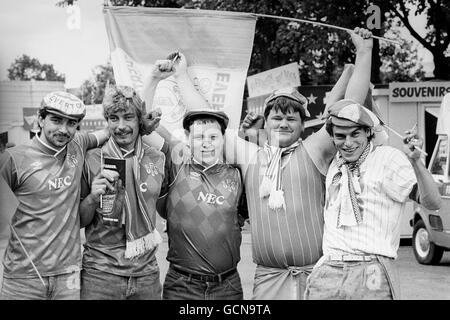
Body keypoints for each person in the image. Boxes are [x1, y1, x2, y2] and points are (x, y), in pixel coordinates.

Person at [303, 100, 441, 300]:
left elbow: (433, 202)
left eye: (355, 134)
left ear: (368, 132)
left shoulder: (388, 159)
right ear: (332, 138)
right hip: (328, 272)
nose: (348, 143)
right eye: (340, 136)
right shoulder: (334, 164)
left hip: (371, 269)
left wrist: (416, 162)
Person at [142, 55, 247, 300]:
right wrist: (154, 79)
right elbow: (146, 125)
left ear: (223, 139)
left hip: (228, 287)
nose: (206, 143)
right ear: (188, 138)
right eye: (199, 137)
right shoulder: (177, 159)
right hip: (182, 286)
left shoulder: (238, 173)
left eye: (213, 137)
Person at [0, 91, 110, 300]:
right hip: (23, 279)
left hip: (67, 276)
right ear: (40, 120)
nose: (63, 129)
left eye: (71, 123)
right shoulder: (12, 159)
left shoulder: (77, 144)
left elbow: (110, 131)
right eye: (56, 120)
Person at [78, 85, 166, 300]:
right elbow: (79, 220)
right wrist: (92, 198)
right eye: (113, 118)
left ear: (139, 120)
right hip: (100, 275)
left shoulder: (158, 158)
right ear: (106, 122)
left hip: (146, 275)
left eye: (128, 117)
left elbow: (164, 208)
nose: (121, 126)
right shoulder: (91, 158)